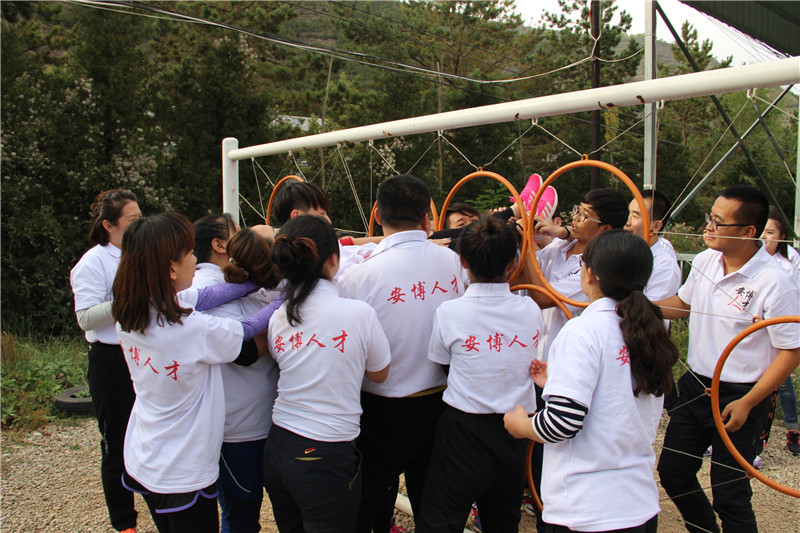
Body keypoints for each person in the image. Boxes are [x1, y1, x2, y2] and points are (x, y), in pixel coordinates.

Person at [113, 212, 284, 533]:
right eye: (189, 252)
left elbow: (204, 296)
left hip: (144, 453)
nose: (195, 259)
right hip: (182, 468)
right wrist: (285, 299)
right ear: (171, 268)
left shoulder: (132, 310)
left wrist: (253, 282)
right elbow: (247, 331)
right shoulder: (188, 329)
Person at [504, 229, 679, 533]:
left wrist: (521, 426)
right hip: (638, 505)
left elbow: (561, 423)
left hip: (587, 510)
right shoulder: (648, 331)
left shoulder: (583, 331)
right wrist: (558, 380)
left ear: (590, 275)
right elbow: (618, 392)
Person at [655, 186, 800, 533]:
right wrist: (638, 306)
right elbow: (684, 304)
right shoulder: (706, 259)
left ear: (748, 232)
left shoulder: (776, 281)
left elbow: (791, 351)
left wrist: (749, 402)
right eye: (710, 217)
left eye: (718, 222)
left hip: (742, 393)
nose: (708, 227)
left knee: (729, 493)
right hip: (696, 387)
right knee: (673, 472)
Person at [338, 174, 470, 532]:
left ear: (377, 214)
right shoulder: (454, 264)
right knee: (434, 507)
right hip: (441, 403)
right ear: (428, 216)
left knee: (370, 506)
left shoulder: (358, 277)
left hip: (380, 409)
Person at [263, 214, 391, 532]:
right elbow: (380, 373)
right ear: (334, 259)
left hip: (278, 445)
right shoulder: (357, 313)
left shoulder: (279, 316)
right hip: (324, 453)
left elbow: (282, 362)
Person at [417, 217, 544, 533]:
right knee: (503, 518)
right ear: (512, 263)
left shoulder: (449, 311)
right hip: (515, 428)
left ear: (463, 261)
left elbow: (442, 362)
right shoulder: (530, 310)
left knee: (440, 519)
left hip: (464, 430)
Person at [191, 214, 282, 533]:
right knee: (241, 515)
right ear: (219, 245)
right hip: (238, 428)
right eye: (237, 232)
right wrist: (282, 329)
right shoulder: (207, 286)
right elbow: (241, 352)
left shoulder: (239, 280)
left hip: (262, 420)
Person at [70, 189, 142, 533]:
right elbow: (85, 317)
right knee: (116, 439)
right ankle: (124, 521)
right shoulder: (93, 263)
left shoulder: (140, 253)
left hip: (144, 352)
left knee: (148, 432)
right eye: (133, 219)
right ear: (109, 225)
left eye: (141, 217)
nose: (140, 223)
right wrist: (128, 299)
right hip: (111, 359)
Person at [760, 205, 800, 456]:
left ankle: (792, 428)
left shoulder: (787, 264)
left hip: (776, 330)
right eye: (761, 231)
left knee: (781, 383)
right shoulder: (747, 259)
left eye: (770, 232)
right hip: (753, 335)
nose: (764, 237)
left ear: (782, 236)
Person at [623, 189, 681, 304]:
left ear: (656, 225)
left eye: (634, 216)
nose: (627, 222)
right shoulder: (624, 254)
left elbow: (646, 309)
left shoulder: (664, 266)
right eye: (628, 214)